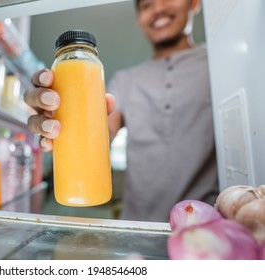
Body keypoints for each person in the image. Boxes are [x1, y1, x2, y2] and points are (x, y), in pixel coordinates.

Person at [23, 0, 219, 222]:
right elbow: (102, 130)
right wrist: (59, 123)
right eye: (147, 5)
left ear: (194, 2)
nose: (158, 9)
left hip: (207, 223)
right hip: (138, 225)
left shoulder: (221, 63)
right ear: (139, 19)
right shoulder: (125, 80)